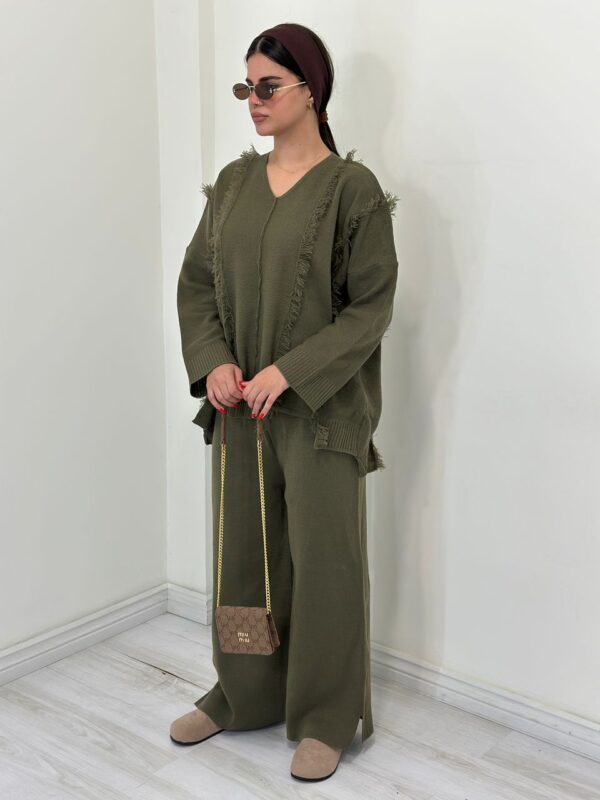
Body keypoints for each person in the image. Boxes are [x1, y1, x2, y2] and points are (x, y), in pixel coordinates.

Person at [170, 22, 399, 782]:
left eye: (267, 86)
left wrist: (290, 372)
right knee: (245, 558)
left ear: (312, 90)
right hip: (240, 411)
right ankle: (242, 694)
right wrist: (215, 362)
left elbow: (370, 309)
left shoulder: (351, 190)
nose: (253, 100)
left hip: (321, 415)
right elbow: (197, 284)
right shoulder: (234, 183)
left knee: (326, 563)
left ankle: (327, 716)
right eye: (246, 86)